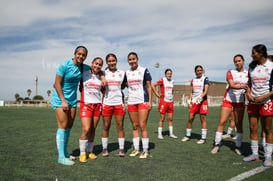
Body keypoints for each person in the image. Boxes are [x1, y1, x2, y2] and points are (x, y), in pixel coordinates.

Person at [52, 46, 88, 166]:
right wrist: (63, 100)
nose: (81, 57)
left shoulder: (83, 67)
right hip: (60, 100)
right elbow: (56, 83)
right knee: (62, 126)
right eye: (79, 54)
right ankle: (61, 157)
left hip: (73, 101)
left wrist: (103, 76)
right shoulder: (65, 65)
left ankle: (66, 153)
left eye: (83, 55)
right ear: (74, 54)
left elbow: (96, 69)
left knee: (69, 125)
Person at [211, 54, 248, 155]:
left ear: (243, 61)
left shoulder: (248, 73)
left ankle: (238, 146)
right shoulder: (230, 72)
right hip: (228, 100)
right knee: (222, 121)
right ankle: (217, 144)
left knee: (238, 123)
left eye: (239, 61)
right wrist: (244, 86)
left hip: (240, 101)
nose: (237, 63)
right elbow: (231, 85)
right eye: (235, 61)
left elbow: (250, 87)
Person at [243, 44, 273, 167]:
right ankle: (255, 154)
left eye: (253, 53)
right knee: (252, 128)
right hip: (253, 102)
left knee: (268, 129)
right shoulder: (251, 67)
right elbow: (249, 83)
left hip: (267, 102)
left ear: (261, 53)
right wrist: (248, 94)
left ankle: (268, 157)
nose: (251, 55)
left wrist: (264, 96)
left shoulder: (271, 66)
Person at [126, 52, 152, 159]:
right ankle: (136, 149)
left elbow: (149, 86)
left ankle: (145, 150)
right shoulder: (126, 73)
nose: (132, 61)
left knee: (142, 125)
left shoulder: (144, 70)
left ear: (137, 59)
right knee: (134, 126)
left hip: (143, 101)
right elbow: (122, 84)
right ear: (128, 61)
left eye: (133, 59)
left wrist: (150, 101)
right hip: (131, 102)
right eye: (130, 59)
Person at [78, 57, 104, 163]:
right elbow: (80, 87)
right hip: (86, 104)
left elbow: (103, 89)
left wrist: (103, 77)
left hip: (97, 105)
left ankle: (90, 151)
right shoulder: (84, 73)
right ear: (92, 63)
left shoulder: (101, 76)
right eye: (96, 63)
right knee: (86, 129)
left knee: (93, 129)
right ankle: (82, 153)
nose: (97, 66)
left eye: (100, 65)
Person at [101, 53, 127, 157]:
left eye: (113, 61)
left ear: (116, 61)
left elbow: (125, 84)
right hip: (107, 102)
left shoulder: (122, 73)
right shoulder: (103, 72)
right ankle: (104, 149)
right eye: (109, 61)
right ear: (107, 63)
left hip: (119, 103)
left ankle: (121, 149)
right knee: (106, 126)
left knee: (120, 126)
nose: (112, 63)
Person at [181, 65, 209, 144]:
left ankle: (203, 138)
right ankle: (188, 136)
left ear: (202, 71)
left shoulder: (205, 79)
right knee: (190, 118)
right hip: (194, 102)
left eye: (200, 70)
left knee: (203, 119)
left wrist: (200, 98)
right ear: (195, 72)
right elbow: (192, 92)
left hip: (202, 101)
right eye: (197, 70)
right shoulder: (193, 80)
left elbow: (206, 91)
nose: (199, 72)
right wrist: (190, 101)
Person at [151, 68, 177, 139]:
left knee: (170, 119)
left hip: (170, 101)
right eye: (168, 74)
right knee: (162, 118)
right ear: (165, 74)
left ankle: (171, 134)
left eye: (170, 74)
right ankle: (160, 134)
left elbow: (172, 90)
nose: (169, 75)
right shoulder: (162, 80)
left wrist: (172, 95)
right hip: (164, 101)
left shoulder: (172, 81)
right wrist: (156, 94)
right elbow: (153, 85)